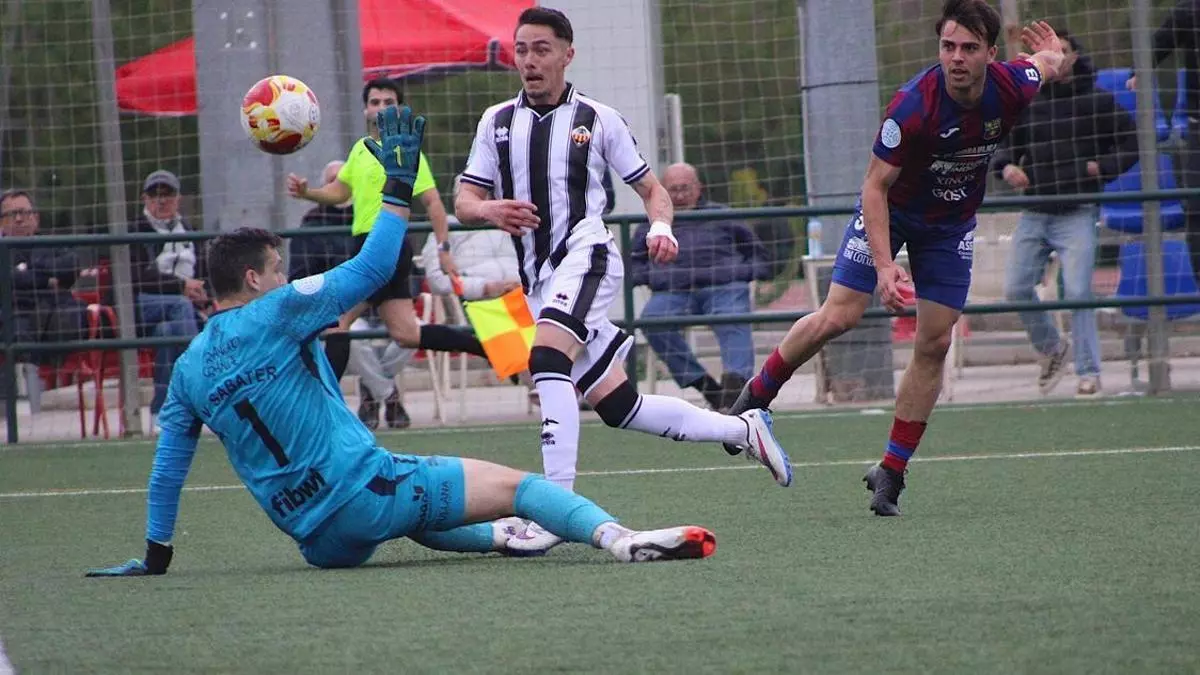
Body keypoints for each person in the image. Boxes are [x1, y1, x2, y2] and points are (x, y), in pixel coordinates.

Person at [85, 105, 719, 577]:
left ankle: (504, 537)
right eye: (276, 270)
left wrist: (156, 554)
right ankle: (618, 538)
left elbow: (168, 467)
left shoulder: (191, 367)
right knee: (522, 488)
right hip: (365, 493)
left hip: (316, 541)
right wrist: (396, 187)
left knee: (417, 512)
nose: (283, 277)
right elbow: (371, 267)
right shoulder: (277, 308)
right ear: (254, 280)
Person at [455, 7, 792, 551]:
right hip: (538, 280)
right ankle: (742, 428)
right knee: (619, 407)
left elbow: (653, 190)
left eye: (542, 49)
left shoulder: (598, 118)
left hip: (586, 256)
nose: (530, 60)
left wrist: (661, 227)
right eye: (521, 49)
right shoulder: (495, 121)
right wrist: (490, 209)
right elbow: (464, 200)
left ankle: (555, 511)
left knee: (546, 360)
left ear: (567, 55)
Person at [725, 0, 1064, 516]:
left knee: (935, 341)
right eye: (948, 46)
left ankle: (891, 471)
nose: (956, 58)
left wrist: (1053, 54)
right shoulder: (912, 106)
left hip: (949, 226)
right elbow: (874, 188)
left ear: (991, 54)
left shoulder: (1013, 85)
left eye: (969, 48)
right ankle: (758, 394)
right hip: (892, 212)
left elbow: (1046, 63)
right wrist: (886, 267)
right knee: (840, 316)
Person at [286, 78, 486, 381]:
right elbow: (340, 192)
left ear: (400, 109)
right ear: (366, 109)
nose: (381, 108)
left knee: (338, 321)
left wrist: (444, 249)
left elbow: (433, 203)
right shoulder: (360, 149)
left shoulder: (406, 151)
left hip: (385, 248)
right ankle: (483, 346)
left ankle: (325, 400)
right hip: (365, 246)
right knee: (406, 333)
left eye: (388, 103)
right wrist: (307, 193)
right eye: (375, 102)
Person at [993, 31, 1139, 397]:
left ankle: (1089, 373)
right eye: (1047, 51)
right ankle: (1053, 349)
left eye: (1061, 50)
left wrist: (1102, 167)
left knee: (1077, 292)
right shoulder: (1028, 101)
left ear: (1073, 57)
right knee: (1015, 288)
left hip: (1078, 211)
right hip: (1036, 210)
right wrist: (1007, 167)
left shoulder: (1097, 101)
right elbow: (1004, 145)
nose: (1054, 57)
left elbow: (1131, 141)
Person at [632, 162, 769, 411]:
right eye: (673, 189)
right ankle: (706, 386)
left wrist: (742, 273)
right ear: (663, 190)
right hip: (672, 291)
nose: (679, 195)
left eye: (685, 188)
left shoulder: (723, 215)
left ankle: (735, 389)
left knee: (734, 317)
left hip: (724, 287)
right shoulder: (652, 223)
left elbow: (759, 254)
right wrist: (652, 276)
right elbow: (633, 263)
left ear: (699, 188)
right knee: (652, 321)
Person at [1129, 0, 1200, 285]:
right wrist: (1139, 71)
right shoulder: (1190, 10)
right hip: (1199, 123)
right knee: (1195, 208)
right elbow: (1158, 43)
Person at [129, 170, 206, 422]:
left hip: (182, 312)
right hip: (140, 306)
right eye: (154, 195)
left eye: (168, 194)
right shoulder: (134, 230)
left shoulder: (191, 231)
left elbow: (206, 273)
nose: (161, 201)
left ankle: (160, 412)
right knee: (180, 307)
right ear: (144, 199)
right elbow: (136, 277)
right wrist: (180, 286)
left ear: (178, 198)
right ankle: (198, 385)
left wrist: (203, 294)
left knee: (167, 332)